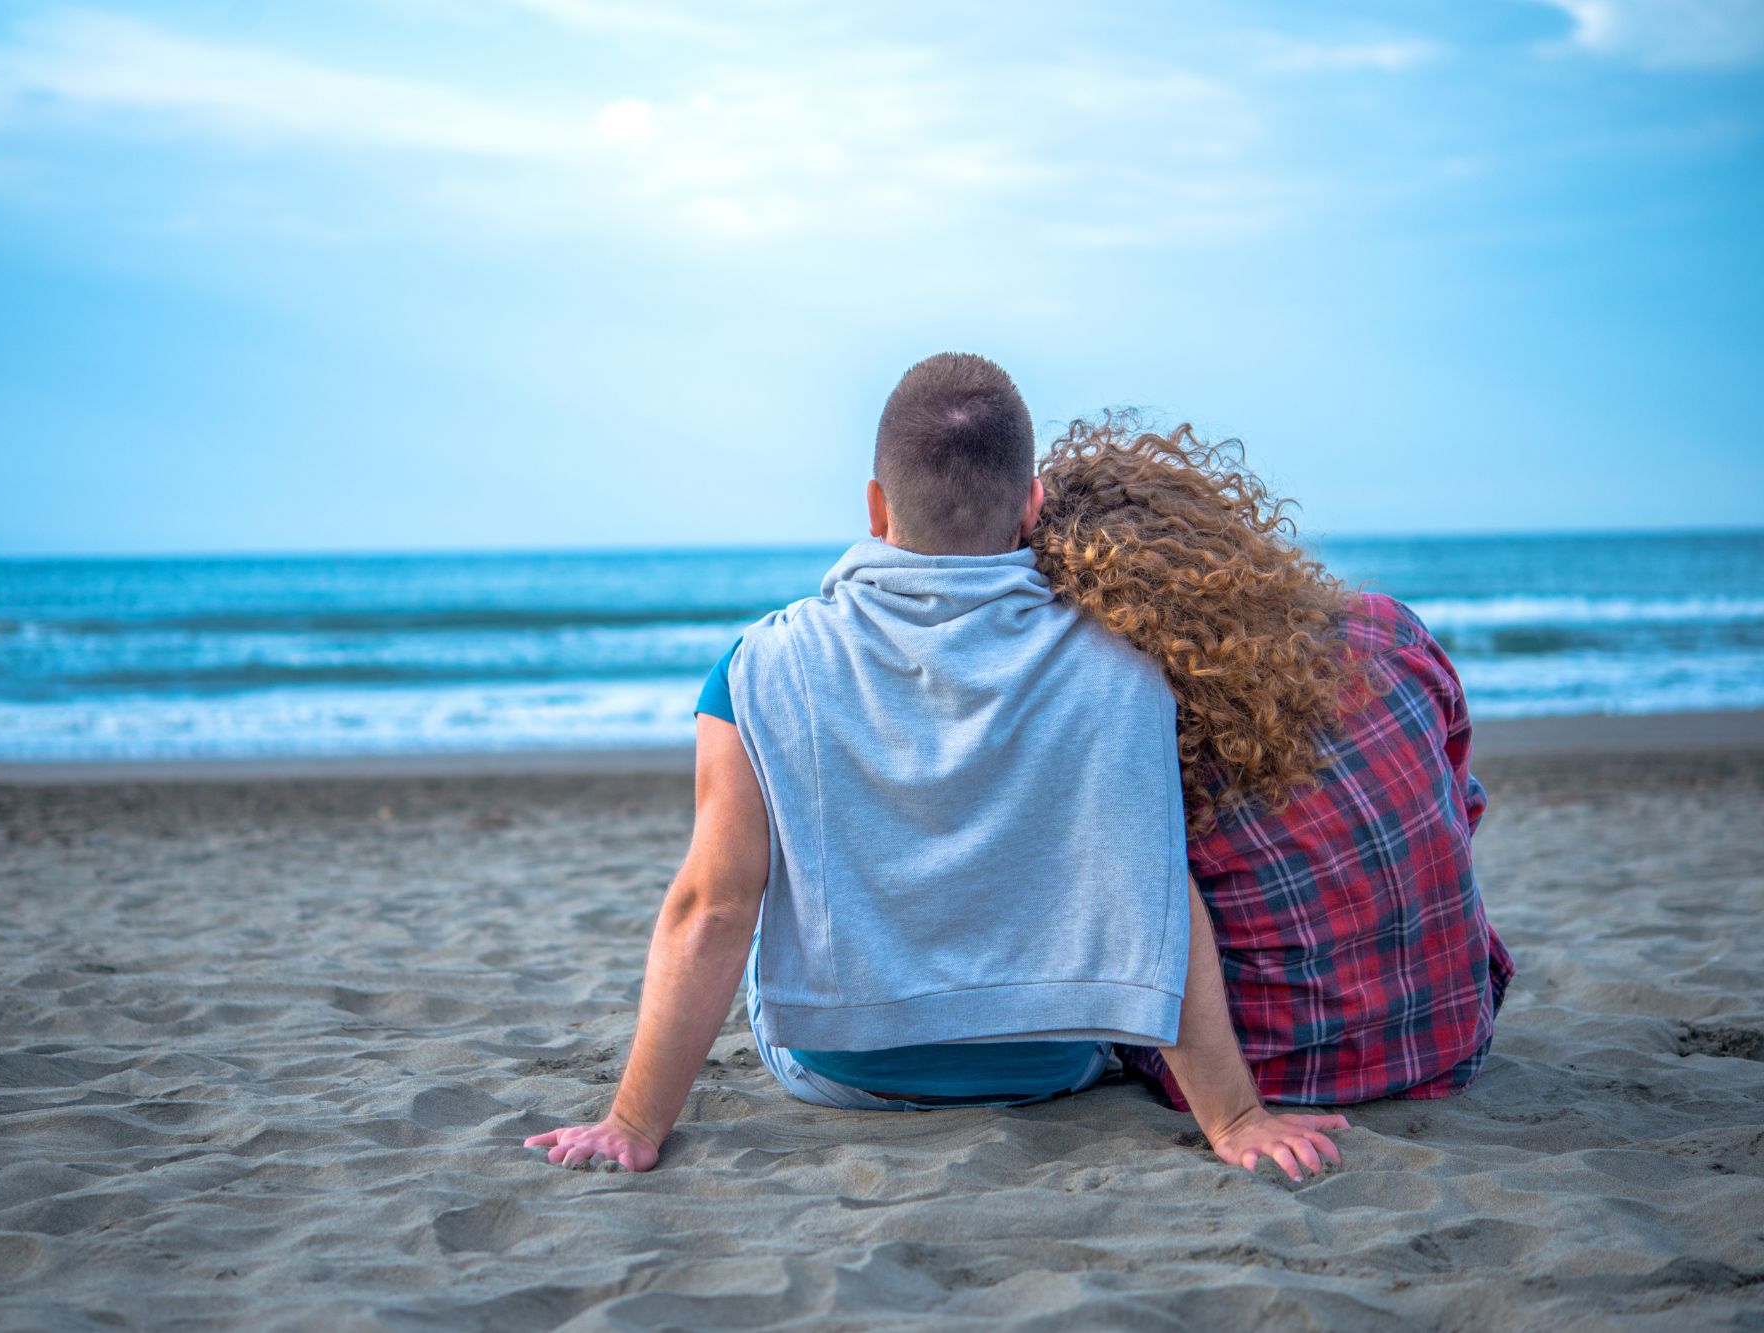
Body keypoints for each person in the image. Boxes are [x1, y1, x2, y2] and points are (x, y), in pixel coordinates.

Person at [525, 355, 1346, 1176]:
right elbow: (1157, 895)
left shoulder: (761, 665)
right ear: (1032, 505)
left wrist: (633, 1121)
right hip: (1051, 1067)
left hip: (840, 1071)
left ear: (876, 505)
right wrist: (1236, 1118)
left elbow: (715, 905)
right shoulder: (1125, 667)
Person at [1029, 412, 1514, 1110]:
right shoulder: (1389, 630)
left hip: (1278, 1076)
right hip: (1455, 1037)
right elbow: (1462, 808)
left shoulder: (1149, 736)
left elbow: (1137, 930)